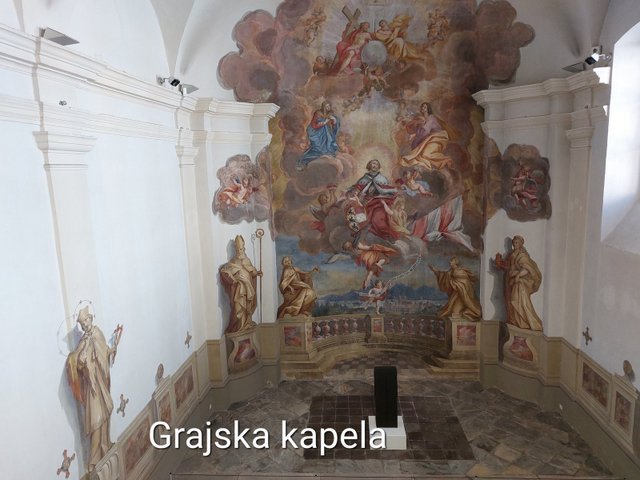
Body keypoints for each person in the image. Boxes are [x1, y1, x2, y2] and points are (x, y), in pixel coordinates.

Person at [66, 306, 118, 471]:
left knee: (105, 414)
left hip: (100, 384)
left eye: (86, 321)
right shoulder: (84, 340)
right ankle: (94, 458)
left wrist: (108, 351)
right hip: (91, 387)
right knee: (96, 419)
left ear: (90, 318)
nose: (85, 325)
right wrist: (80, 362)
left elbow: (102, 351)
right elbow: (76, 361)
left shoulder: (97, 334)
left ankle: (105, 445)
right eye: (82, 324)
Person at [494, 235, 543, 331]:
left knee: (519, 301)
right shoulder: (512, 253)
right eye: (514, 243)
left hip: (519, 282)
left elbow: (527, 269)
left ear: (520, 244)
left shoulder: (522, 255)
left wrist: (518, 276)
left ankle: (524, 322)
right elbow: (509, 266)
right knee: (509, 300)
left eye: (516, 243)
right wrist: (500, 263)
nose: (514, 244)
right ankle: (514, 321)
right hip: (509, 279)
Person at [219, 235, 263, 333]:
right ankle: (238, 327)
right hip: (240, 289)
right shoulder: (233, 261)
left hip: (248, 287)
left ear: (244, 248)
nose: (239, 251)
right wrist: (234, 279)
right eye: (238, 249)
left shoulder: (247, 260)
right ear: (235, 249)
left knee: (248, 307)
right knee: (239, 308)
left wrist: (257, 273)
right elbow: (226, 271)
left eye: (241, 249)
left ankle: (246, 323)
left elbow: (252, 272)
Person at [400, 102, 454, 170]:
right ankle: (438, 164)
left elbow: (425, 132)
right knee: (421, 155)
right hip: (429, 138)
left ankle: (446, 160)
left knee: (425, 154)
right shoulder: (421, 119)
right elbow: (417, 131)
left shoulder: (431, 118)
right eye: (422, 106)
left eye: (425, 107)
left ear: (428, 109)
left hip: (437, 137)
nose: (423, 108)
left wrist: (415, 136)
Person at [353, 159, 398, 240]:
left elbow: (387, 191)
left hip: (378, 203)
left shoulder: (382, 179)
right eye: (373, 163)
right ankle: (359, 236)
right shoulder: (364, 179)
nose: (375, 165)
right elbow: (357, 189)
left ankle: (386, 236)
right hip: (365, 202)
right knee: (359, 217)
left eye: (377, 164)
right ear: (369, 165)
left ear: (379, 166)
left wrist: (383, 194)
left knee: (378, 219)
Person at [297, 101, 340, 170]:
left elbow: (334, 124)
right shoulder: (318, 113)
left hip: (327, 135)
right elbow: (313, 125)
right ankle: (303, 162)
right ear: (323, 107)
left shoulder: (330, 113)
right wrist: (324, 123)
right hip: (318, 134)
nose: (328, 108)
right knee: (317, 150)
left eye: (329, 106)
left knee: (328, 150)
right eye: (327, 106)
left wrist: (334, 120)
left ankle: (326, 163)